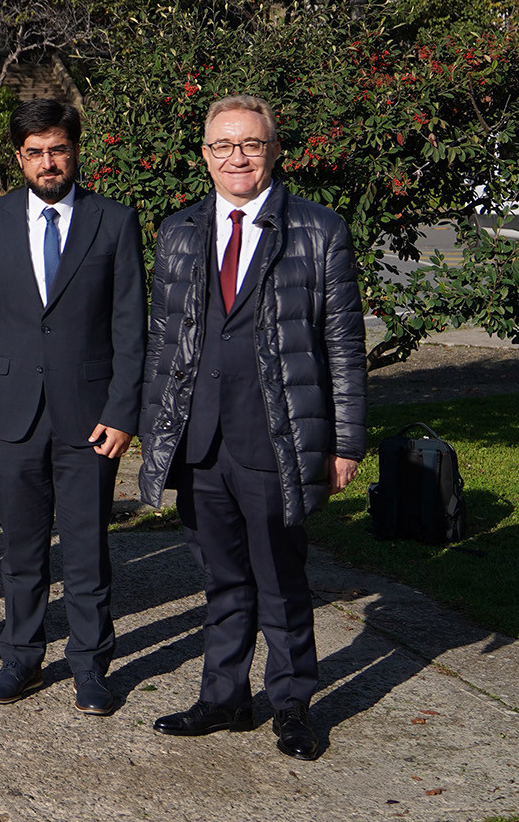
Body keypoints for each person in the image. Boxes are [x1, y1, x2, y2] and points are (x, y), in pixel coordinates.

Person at [140, 93, 366, 761]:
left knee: (281, 580)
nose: (236, 157)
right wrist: (157, 434)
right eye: (223, 146)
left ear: (274, 150)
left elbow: (343, 345)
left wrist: (346, 439)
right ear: (205, 157)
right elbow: (163, 342)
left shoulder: (318, 230)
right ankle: (224, 696)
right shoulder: (178, 231)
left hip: (276, 437)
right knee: (221, 579)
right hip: (200, 440)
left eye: (251, 144)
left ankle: (293, 703)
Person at [0, 100, 145, 714]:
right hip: (13, 414)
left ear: (75, 151)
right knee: (21, 548)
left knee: (88, 548)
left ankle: (91, 666)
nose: (48, 162)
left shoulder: (114, 222)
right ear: (18, 156)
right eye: (36, 152)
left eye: (58, 150)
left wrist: (123, 412)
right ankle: (20, 658)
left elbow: (130, 327)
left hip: (90, 417)